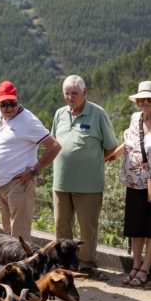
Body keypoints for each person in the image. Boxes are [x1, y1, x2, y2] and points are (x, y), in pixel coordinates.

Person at [50, 75, 118, 273]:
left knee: (87, 229)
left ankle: (86, 265)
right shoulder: (59, 114)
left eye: (75, 93)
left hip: (89, 185)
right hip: (61, 182)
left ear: (84, 93)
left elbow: (110, 148)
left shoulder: (98, 114)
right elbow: (54, 142)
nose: (70, 97)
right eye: (67, 93)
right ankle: (63, 264)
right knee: (61, 227)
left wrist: (90, 163)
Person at [107, 81, 151, 287]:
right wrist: (113, 155)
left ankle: (146, 268)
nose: (144, 102)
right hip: (133, 181)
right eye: (141, 99)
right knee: (136, 227)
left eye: (149, 99)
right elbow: (130, 142)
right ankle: (135, 265)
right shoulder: (135, 118)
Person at [0, 81, 61, 241]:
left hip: (19, 185)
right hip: (1, 186)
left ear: (18, 99)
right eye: (3, 104)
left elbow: (54, 146)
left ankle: (21, 265)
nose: (8, 108)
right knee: (7, 234)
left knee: (20, 237)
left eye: (12, 103)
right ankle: (10, 265)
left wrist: (35, 170)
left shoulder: (28, 121)